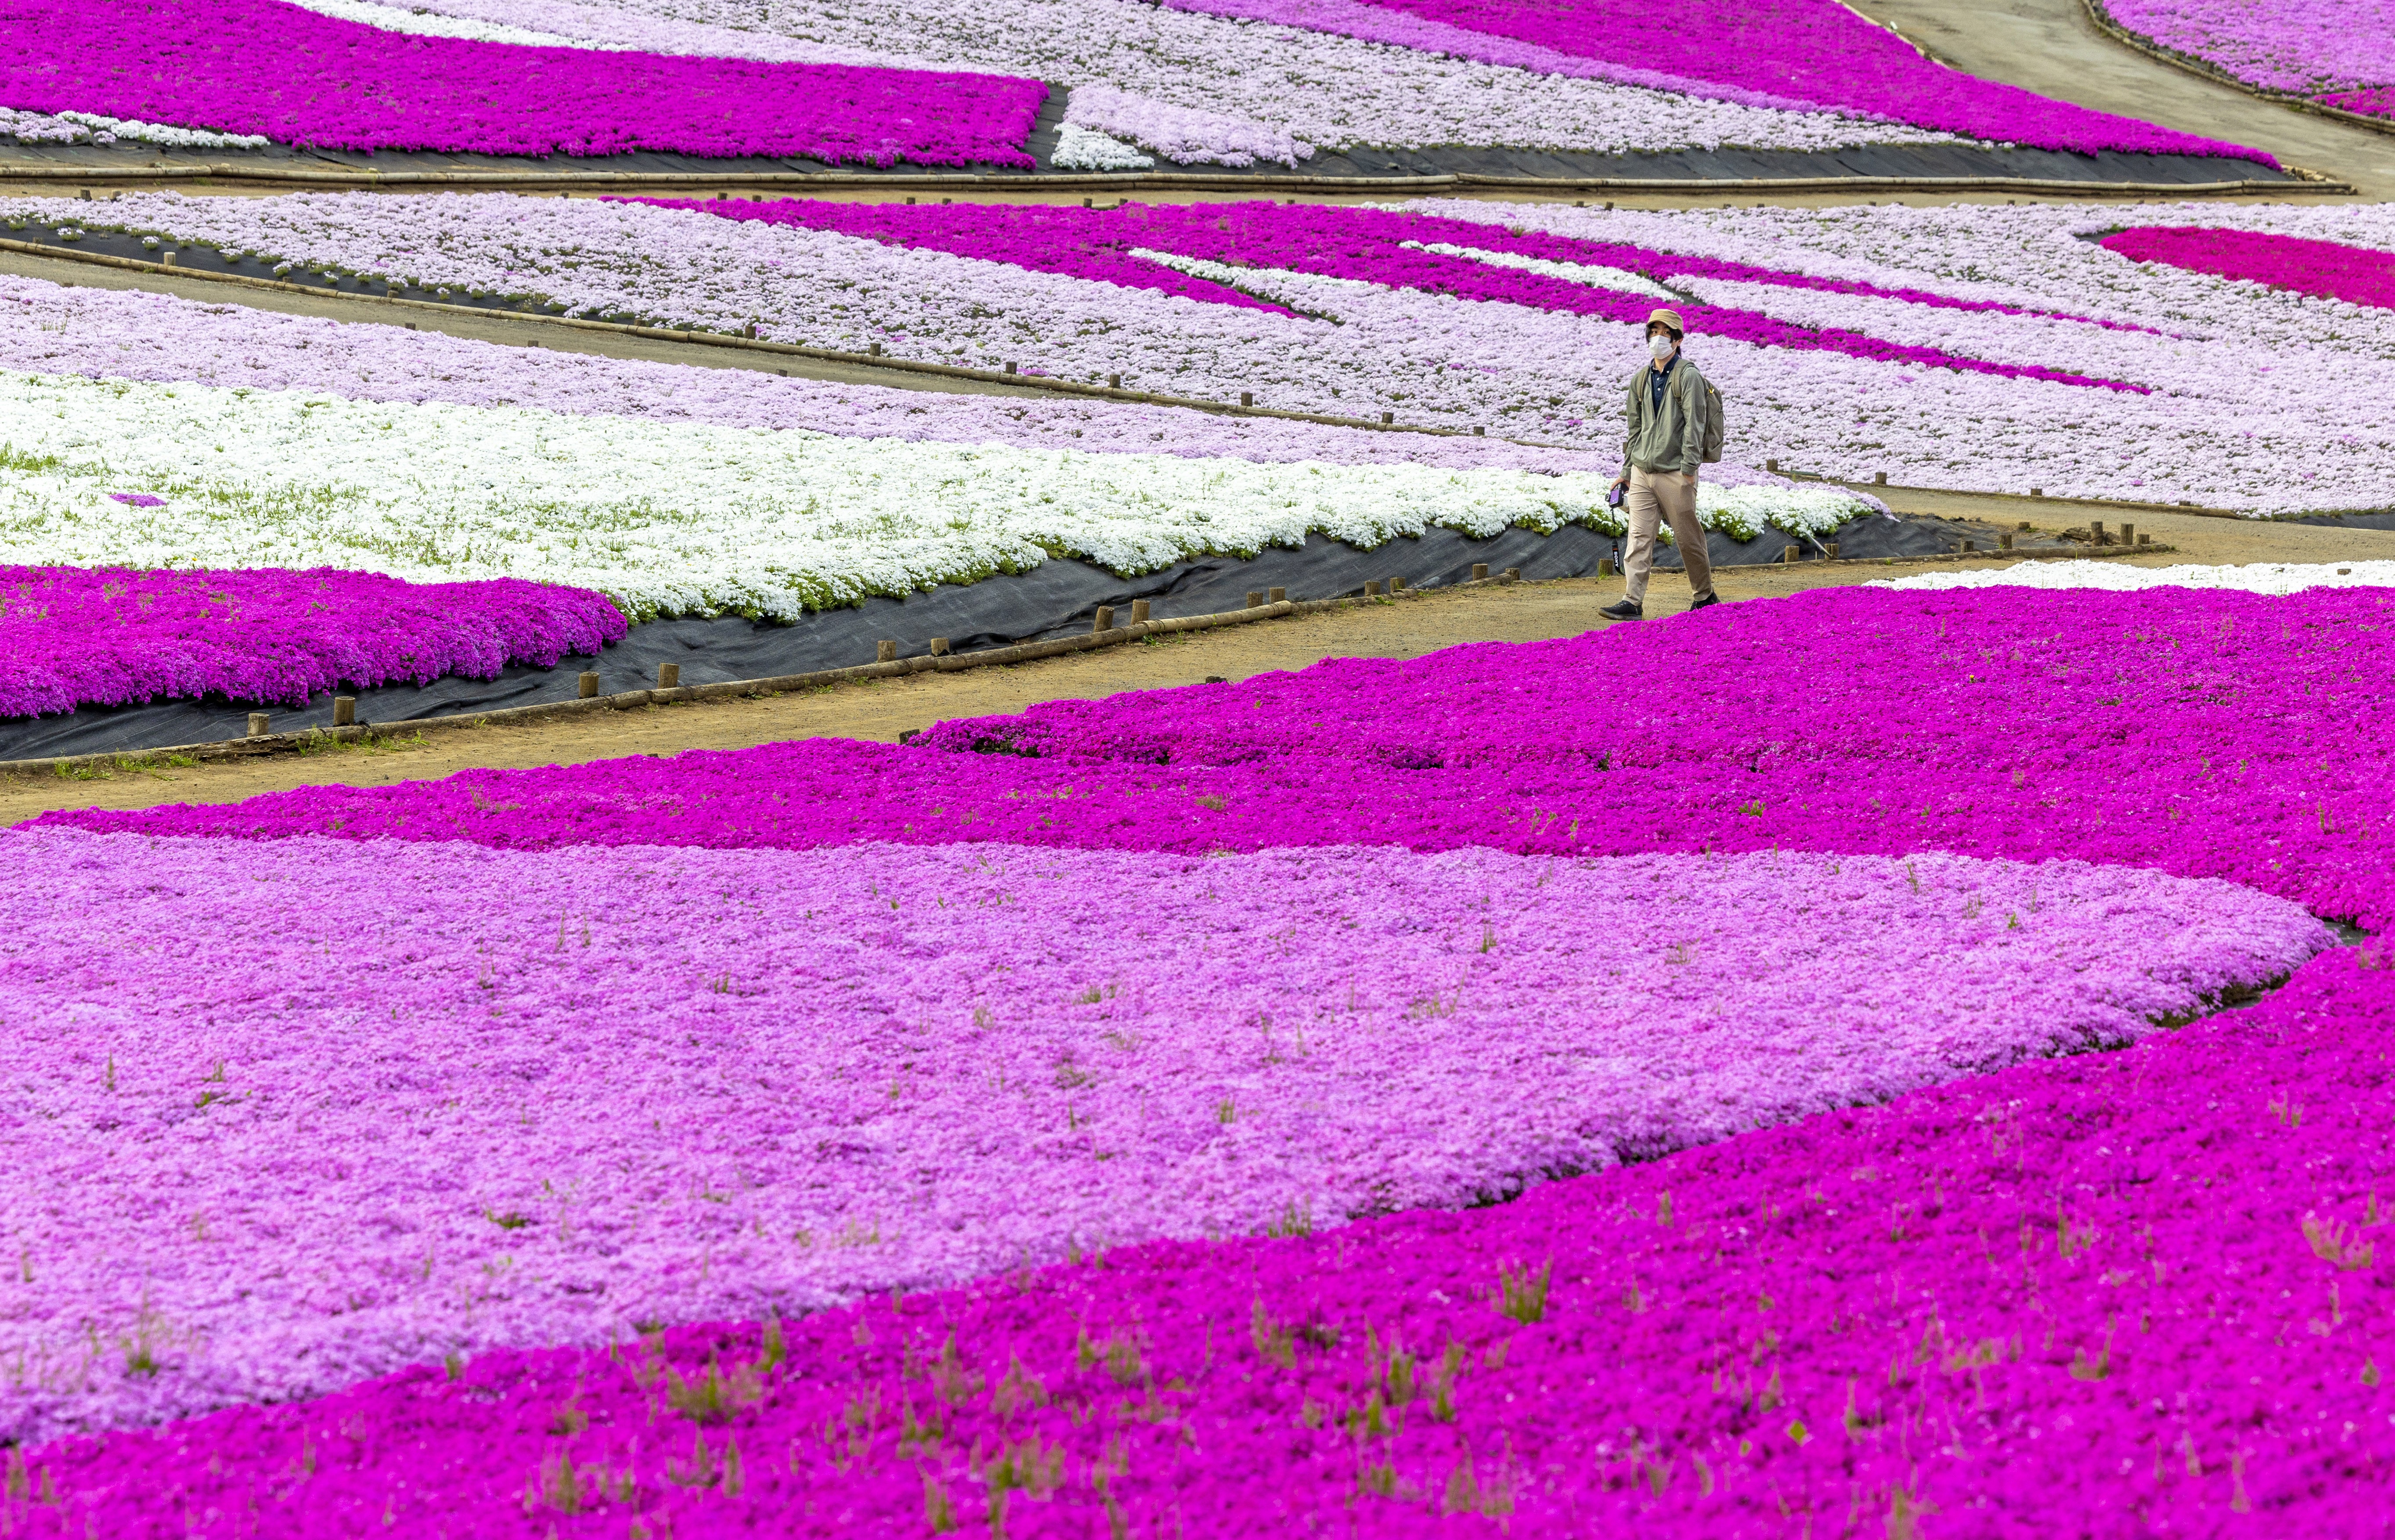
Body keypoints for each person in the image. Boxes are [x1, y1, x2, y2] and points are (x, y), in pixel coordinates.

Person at [1600, 308, 1719, 621]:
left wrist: (1690, 470)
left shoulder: (1688, 376)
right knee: (1638, 537)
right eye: (1654, 332)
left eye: (1666, 333)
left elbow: (1696, 424)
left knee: (1687, 537)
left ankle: (1705, 596)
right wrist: (1626, 473)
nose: (1658, 338)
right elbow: (1634, 430)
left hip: (1675, 473)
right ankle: (1632, 601)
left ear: (1678, 340)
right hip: (1642, 471)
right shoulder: (1640, 380)